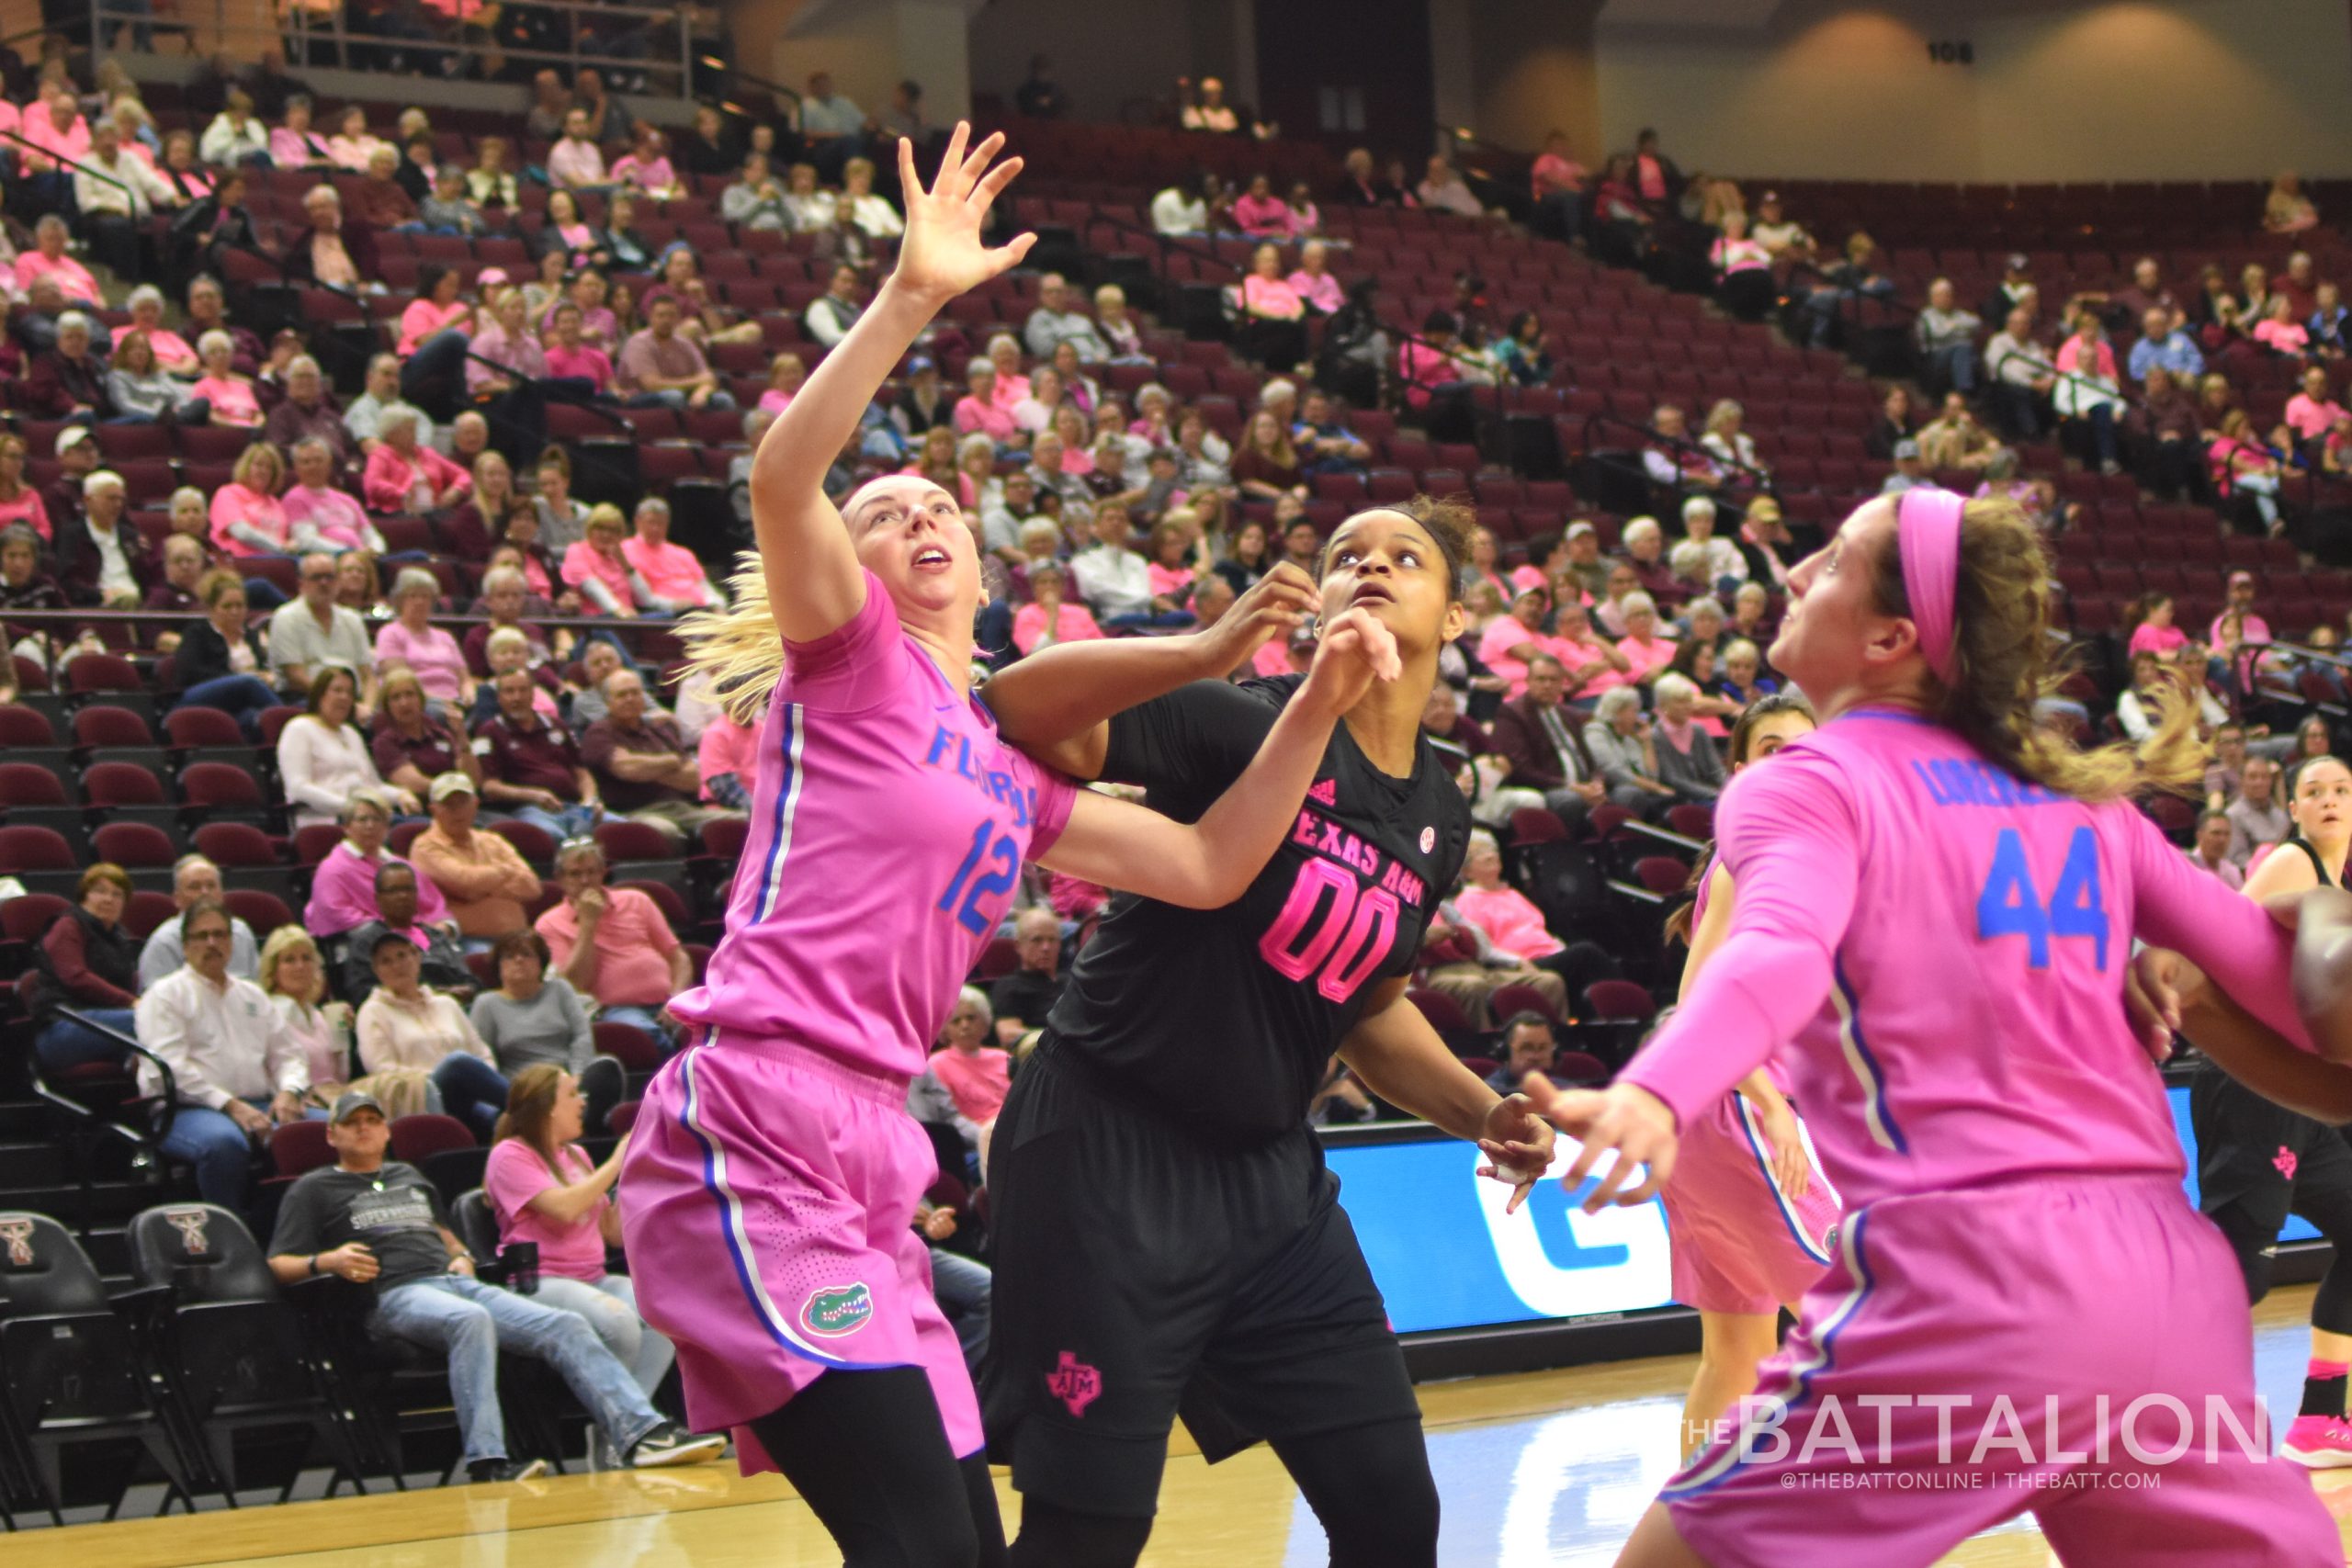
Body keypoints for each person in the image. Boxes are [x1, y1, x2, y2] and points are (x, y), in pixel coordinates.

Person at [616, 127, 1408, 1568]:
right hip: (756, 1121)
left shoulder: (1009, 765)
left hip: (878, 1158)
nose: (915, 510)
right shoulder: (849, 664)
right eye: (885, 511)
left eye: (939, 506)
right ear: (845, 569)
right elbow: (786, 476)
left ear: (983, 567)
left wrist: (1307, 705)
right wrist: (911, 298)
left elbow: (1211, 864)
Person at [1540, 487, 2352, 1566]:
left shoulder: (1808, 783)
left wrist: (1655, 1086)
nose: (1789, 575)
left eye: (1826, 562)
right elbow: (2284, 982)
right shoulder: (2083, 804)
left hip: (1974, 1285)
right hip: (2165, 1289)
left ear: (1890, 637)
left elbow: (1774, 949)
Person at [267, 1089, 720, 1483]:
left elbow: (443, 1235)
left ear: (387, 1132)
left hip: (450, 1279)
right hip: (391, 1293)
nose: (364, 1130)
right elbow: (278, 1264)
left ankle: (640, 1433)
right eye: (352, 1124)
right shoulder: (314, 1189)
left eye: (372, 1121)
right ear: (332, 1136)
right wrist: (326, 1260)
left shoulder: (410, 1177)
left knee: (564, 1324)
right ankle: (488, 1459)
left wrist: (461, 1255)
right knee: (471, 1320)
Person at [1646, 694, 1840, 1455]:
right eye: (1772, 748)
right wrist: (1771, 1102)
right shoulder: (1753, 855)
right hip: (1737, 1110)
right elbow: (1697, 1001)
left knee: (1734, 1355)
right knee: (1862, 1315)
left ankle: (1688, 1530)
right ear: (1741, 771)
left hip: (1702, 1116)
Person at [2188, 753, 2352, 1465]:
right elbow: (2214, 947)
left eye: (2342, 789)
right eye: (2313, 790)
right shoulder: (2291, 862)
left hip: (2302, 1096)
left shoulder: (2338, 884)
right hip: (2251, 1086)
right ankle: (2160, 1416)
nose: (2329, 800)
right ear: (2292, 805)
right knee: (2238, 1268)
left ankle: (2319, 1421)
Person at [137, 897, 310, 1211]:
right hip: (188, 1109)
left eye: (220, 934)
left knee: (330, 1128)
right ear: (185, 945)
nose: (212, 943)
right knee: (225, 1144)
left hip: (261, 1102)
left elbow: (290, 1054)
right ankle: (231, 1236)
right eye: (202, 936)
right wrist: (229, 1105)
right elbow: (167, 1069)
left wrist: (290, 1090)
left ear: (232, 942)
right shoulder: (164, 995)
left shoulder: (252, 994)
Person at [354, 927, 509, 1136]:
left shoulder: (447, 1004)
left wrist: (481, 1079)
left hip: (469, 1093)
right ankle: (535, 1106)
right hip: (421, 1094)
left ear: (417, 958)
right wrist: (436, 1075)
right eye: (386, 961)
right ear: (377, 971)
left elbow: (481, 1052)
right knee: (456, 1063)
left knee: (504, 1120)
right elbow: (382, 1069)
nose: (397, 965)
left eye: (402, 955)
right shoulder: (373, 1011)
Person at [534, 838, 690, 1042]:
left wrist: (676, 998)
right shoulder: (549, 923)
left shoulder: (636, 900)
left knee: (714, 1029)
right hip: (615, 1011)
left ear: (602, 873)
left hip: (667, 1001)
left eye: (591, 872)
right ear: (559, 879)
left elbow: (678, 957)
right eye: (575, 874)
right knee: (647, 1035)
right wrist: (588, 924)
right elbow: (575, 985)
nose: (585, 880)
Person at [29, 863, 142, 1073]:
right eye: (100, 891)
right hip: (61, 1027)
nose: (108, 899)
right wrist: (131, 1002)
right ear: (84, 896)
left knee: (157, 1043)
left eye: (117, 894)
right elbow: (76, 977)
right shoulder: (68, 926)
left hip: (108, 1026)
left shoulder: (120, 937)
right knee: (144, 1019)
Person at [411, 773, 540, 940]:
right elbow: (466, 881)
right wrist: (506, 872)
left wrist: (480, 889)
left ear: (475, 804)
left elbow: (532, 886)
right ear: (433, 810)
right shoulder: (425, 846)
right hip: (467, 940)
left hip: (517, 939)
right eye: (448, 804)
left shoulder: (492, 840)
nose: (457, 811)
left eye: (463, 802)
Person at [280, 666, 406, 829]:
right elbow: (298, 788)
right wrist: (350, 807)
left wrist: (401, 795)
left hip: (366, 816)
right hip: (325, 819)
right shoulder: (299, 728)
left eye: (349, 693)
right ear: (320, 694)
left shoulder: (351, 733)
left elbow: (373, 786)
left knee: (419, 824)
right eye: (337, 690)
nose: (344, 697)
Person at [1489, 652, 1608, 825]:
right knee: (1570, 801)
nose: (1547, 685)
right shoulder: (1512, 713)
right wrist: (1572, 787)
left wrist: (1597, 782)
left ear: (1562, 684)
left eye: (1553, 680)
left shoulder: (1568, 714)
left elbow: (1588, 759)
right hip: (1545, 789)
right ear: (1528, 682)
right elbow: (1521, 769)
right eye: (1541, 679)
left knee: (1627, 794)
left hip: (1581, 786)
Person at [342, 861, 472, 1006]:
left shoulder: (436, 935)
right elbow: (362, 992)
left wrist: (466, 990)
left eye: (408, 889)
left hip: (453, 1008)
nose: (403, 896)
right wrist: (433, 994)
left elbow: (468, 980)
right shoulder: (365, 942)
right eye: (393, 890)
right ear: (378, 899)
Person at [470, 930, 594, 1075]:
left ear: (540, 963)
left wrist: (577, 1077)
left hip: (568, 1078)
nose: (519, 960)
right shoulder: (486, 1003)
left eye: (527, 954)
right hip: (521, 1087)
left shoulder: (560, 989)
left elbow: (582, 1036)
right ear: (499, 966)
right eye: (509, 957)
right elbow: (482, 1057)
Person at [172, 570, 277, 737]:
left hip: (241, 701)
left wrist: (268, 676)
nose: (234, 612)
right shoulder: (197, 633)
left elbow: (262, 667)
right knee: (249, 682)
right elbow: (189, 672)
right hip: (200, 694)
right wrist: (235, 677)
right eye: (227, 606)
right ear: (212, 609)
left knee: (254, 718)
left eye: (240, 606)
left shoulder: (251, 635)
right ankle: (286, 722)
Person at [908, 986, 1009, 1149]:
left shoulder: (1003, 1057)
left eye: (971, 1018)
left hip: (1015, 1130)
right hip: (978, 1139)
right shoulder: (936, 1064)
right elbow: (950, 1116)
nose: (965, 1025)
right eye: (956, 1021)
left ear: (985, 1022)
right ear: (945, 1030)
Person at [139, 855, 262, 988]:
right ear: (177, 899)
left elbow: (258, 986)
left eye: (211, 885)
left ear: (221, 894)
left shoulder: (241, 932)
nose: (205, 892)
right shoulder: (164, 941)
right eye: (195, 887)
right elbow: (157, 1000)